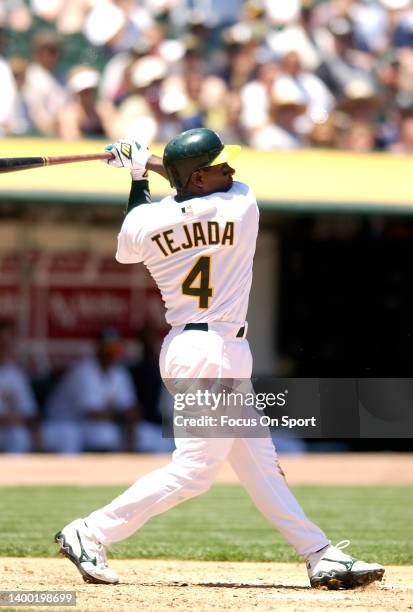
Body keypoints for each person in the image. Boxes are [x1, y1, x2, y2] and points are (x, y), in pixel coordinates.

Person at [54, 128, 384, 589]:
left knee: (260, 462)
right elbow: (194, 195)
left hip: (205, 349)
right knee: (195, 470)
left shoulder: (150, 221)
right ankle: (89, 531)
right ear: (195, 178)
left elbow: (129, 243)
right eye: (218, 166)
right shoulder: (240, 205)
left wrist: (135, 174)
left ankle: (319, 554)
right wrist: (147, 163)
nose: (231, 171)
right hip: (206, 351)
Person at [42, 329, 137, 454]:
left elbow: (131, 409)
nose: (111, 353)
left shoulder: (119, 373)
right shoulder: (84, 370)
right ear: (98, 349)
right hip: (61, 422)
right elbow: (91, 413)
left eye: (115, 348)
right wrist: (122, 417)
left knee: (153, 437)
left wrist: (129, 422)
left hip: (88, 425)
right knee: (105, 435)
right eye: (107, 348)